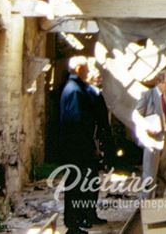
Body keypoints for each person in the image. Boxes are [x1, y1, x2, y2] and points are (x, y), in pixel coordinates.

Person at [58, 56, 106, 233]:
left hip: (76, 148)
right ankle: (73, 225)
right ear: (78, 69)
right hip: (77, 150)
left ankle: (79, 219)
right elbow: (78, 123)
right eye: (86, 68)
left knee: (81, 185)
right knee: (76, 187)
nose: (88, 72)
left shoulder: (74, 88)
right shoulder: (76, 91)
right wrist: (90, 148)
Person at [133, 70, 166, 198]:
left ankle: (158, 203)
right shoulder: (147, 96)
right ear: (158, 82)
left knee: (164, 173)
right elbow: (136, 115)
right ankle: (145, 206)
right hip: (153, 138)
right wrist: (147, 127)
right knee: (150, 175)